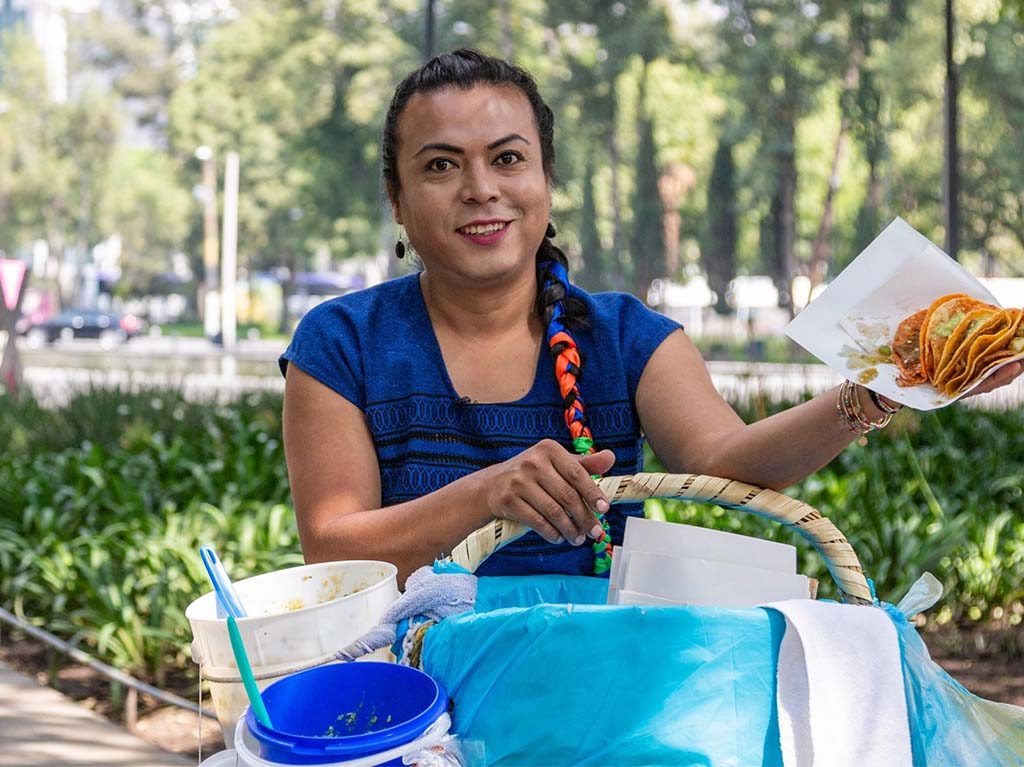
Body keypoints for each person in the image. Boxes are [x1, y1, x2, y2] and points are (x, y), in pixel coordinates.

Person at [279, 49, 1022, 588]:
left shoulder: (627, 338)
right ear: (397, 197)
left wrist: (878, 390)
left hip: (603, 686)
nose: (481, 189)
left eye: (507, 159)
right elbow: (332, 549)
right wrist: (486, 492)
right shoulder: (341, 343)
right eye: (441, 165)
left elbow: (726, 461)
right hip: (408, 692)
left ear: (544, 179)